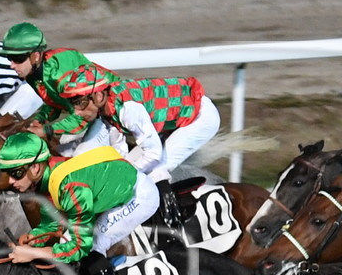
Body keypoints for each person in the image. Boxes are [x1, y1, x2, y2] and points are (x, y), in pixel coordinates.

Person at [0, 131, 159, 275]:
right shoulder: (48, 175)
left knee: (93, 247)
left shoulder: (69, 187)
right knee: (69, 241)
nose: (10, 181)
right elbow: (51, 222)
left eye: (16, 173)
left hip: (139, 197)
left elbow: (80, 247)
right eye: (7, 173)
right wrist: (32, 239)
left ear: (35, 168)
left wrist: (33, 253)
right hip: (114, 187)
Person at [55, 63, 220, 233]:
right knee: (132, 167)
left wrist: (124, 177)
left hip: (200, 117)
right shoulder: (108, 108)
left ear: (98, 95)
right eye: (73, 104)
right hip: (179, 116)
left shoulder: (127, 110)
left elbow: (153, 153)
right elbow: (119, 152)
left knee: (156, 168)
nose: (77, 112)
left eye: (81, 103)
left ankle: (172, 229)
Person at [0, 21, 113, 146]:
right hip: (91, 116)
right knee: (62, 149)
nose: (12, 65)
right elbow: (54, 103)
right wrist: (39, 119)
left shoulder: (59, 76)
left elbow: (84, 117)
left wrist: (47, 130)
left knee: (78, 153)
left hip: (111, 113)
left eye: (18, 59)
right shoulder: (33, 75)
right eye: (9, 58)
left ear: (35, 56)